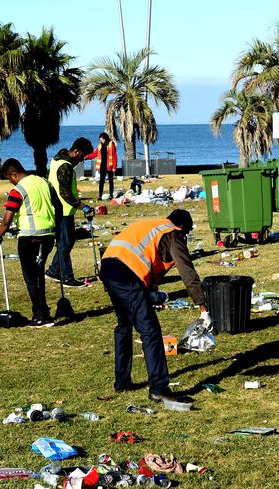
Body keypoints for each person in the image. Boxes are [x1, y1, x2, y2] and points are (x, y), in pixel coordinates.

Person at [100, 209, 212, 401]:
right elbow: (187, 271)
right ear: (182, 227)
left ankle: (122, 382)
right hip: (127, 276)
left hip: (109, 268)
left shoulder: (153, 225)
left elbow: (144, 256)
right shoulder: (173, 233)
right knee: (150, 332)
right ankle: (159, 388)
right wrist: (203, 309)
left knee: (124, 325)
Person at [0, 159, 62, 327]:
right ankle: (43, 311)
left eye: (10, 178)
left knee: (31, 277)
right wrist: (56, 228)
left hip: (29, 237)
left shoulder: (17, 190)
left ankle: (40, 316)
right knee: (39, 274)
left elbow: (7, 220)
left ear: (14, 174)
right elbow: (58, 207)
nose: (11, 182)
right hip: (48, 235)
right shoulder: (44, 182)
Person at [46, 137, 95, 288]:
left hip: (61, 209)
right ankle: (67, 278)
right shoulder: (65, 166)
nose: (82, 161)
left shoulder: (58, 159)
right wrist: (83, 206)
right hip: (62, 210)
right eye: (82, 156)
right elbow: (65, 193)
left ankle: (53, 271)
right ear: (76, 151)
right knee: (65, 244)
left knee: (65, 243)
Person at [85, 132, 117, 200]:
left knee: (111, 181)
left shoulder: (111, 144)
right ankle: (100, 196)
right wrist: (87, 157)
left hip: (110, 166)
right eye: (100, 140)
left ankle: (111, 195)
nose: (101, 141)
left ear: (105, 138)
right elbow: (94, 154)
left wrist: (114, 167)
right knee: (101, 181)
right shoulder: (100, 145)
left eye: (102, 139)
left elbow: (114, 156)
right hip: (102, 166)